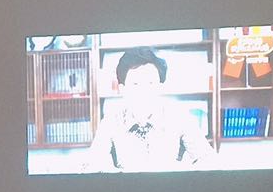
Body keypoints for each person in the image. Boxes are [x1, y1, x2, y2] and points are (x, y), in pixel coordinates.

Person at [83, 50, 214, 172]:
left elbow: (209, 161)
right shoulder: (111, 121)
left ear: (160, 87)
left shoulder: (179, 117)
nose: (144, 91)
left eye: (151, 83)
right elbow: (91, 166)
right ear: (123, 89)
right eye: (135, 84)